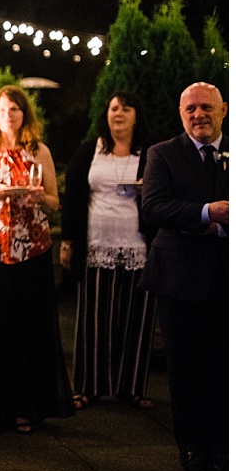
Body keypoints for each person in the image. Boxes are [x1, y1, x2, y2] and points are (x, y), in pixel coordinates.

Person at [0, 85, 73, 435]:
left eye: (16, 110)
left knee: (29, 329)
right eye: (3, 109)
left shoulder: (39, 151)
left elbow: (55, 200)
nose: (8, 116)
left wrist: (41, 197)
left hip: (32, 250)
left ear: (26, 114)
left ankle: (26, 407)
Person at [139, 82, 228, 471]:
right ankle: (192, 449)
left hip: (228, 279)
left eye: (206, 107)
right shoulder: (163, 154)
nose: (199, 115)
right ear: (181, 113)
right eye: (190, 109)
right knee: (186, 370)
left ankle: (225, 448)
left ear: (223, 110)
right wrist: (207, 212)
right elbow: (153, 207)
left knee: (225, 369)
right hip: (180, 279)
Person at [61, 91, 157, 411]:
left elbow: (163, 195)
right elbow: (73, 197)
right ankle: (89, 386)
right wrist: (68, 241)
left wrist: (148, 188)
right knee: (94, 318)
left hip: (138, 245)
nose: (118, 113)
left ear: (136, 116)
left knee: (137, 319)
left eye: (126, 109)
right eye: (113, 108)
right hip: (97, 243)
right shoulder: (92, 149)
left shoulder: (151, 152)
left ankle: (131, 387)